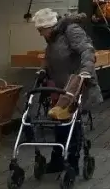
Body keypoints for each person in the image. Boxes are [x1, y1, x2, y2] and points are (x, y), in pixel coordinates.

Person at [33, 9, 101, 174]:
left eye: (42, 31)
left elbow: (87, 50)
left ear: (50, 26)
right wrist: (43, 70)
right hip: (59, 86)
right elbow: (50, 57)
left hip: (75, 84)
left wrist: (85, 70)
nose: (41, 35)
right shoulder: (53, 38)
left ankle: (72, 160)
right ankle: (58, 158)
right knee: (59, 122)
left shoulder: (71, 31)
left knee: (71, 122)